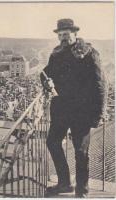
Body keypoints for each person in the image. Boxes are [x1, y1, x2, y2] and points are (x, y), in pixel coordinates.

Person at [41, 19, 107, 197]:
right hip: (61, 110)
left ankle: (81, 191)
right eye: (60, 35)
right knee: (52, 142)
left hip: (82, 112)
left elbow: (100, 84)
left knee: (80, 152)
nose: (63, 38)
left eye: (66, 34)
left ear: (75, 34)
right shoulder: (56, 54)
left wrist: (99, 113)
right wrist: (46, 82)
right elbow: (45, 73)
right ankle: (64, 183)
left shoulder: (89, 53)